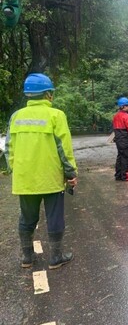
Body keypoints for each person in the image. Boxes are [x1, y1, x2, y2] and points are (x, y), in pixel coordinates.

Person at [5, 73, 78, 269]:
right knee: (54, 217)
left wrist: (15, 169)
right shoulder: (56, 115)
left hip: (25, 178)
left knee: (27, 218)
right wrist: (71, 174)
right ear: (48, 94)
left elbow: (9, 148)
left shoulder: (16, 117)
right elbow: (65, 148)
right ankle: (55, 257)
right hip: (50, 177)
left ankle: (27, 258)